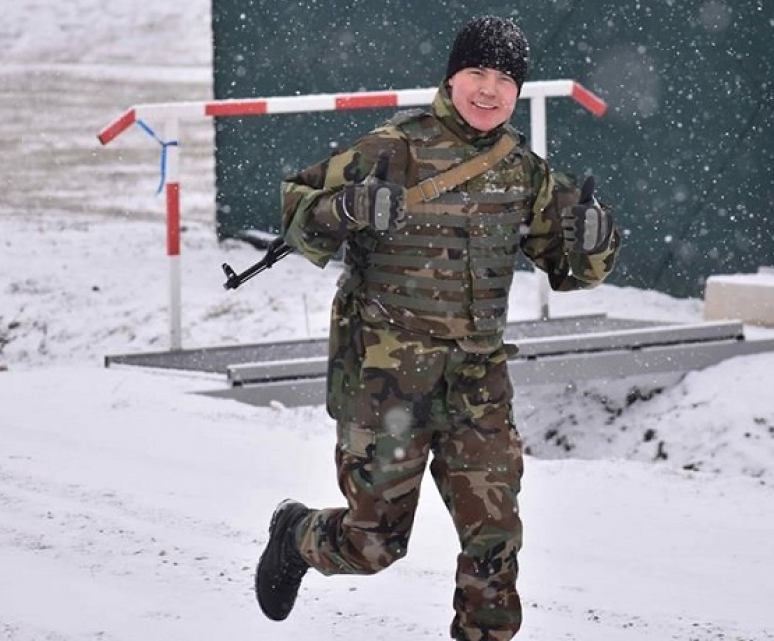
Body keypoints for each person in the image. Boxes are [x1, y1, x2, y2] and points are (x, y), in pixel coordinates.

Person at [255, 15, 621, 641]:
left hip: (477, 387)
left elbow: (571, 271)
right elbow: (295, 208)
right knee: (372, 547)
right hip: (388, 387)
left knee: (495, 545)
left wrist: (595, 243)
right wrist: (347, 206)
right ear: (451, 78)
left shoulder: (525, 173)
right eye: (476, 73)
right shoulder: (392, 148)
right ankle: (296, 536)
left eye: (505, 79)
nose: (489, 90)